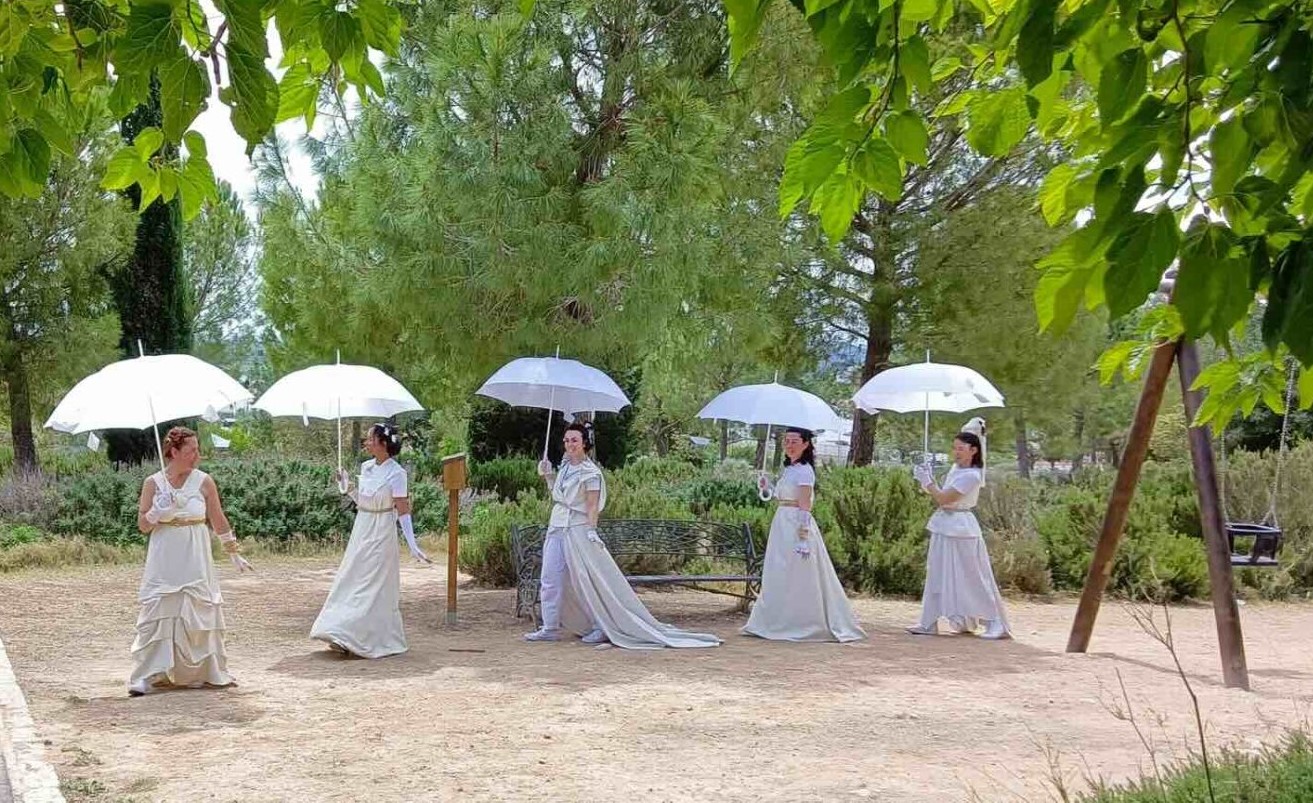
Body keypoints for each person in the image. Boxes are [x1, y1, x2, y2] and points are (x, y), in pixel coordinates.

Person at [523, 422, 721, 649]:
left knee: (586, 579)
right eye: (567, 440)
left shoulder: (590, 473)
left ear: (584, 443)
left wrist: (591, 530)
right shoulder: (566, 467)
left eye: (574, 440)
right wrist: (549, 477)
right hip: (557, 526)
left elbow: (592, 505)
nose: (570, 444)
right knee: (550, 577)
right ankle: (549, 627)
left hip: (577, 529)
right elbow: (559, 496)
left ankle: (601, 625)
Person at [130, 426, 253, 697]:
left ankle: (202, 670)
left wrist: (233, 551)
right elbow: (142, 526)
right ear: (174, 452)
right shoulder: (153, 483)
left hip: (195, 553)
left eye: (198, 449)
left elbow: (217, 518)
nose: (197, 455)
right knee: (160, 607)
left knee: (198, 607)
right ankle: (148, 674)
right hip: (165, 555)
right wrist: (156, 511)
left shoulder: (204, 481)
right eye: (191, 450)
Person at [311, 423, 430, 658]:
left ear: (383, 444)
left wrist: (412, 544)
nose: (367, 443)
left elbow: (402, 509)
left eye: (370, 439)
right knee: (352, 577)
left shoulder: (397, 473)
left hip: (382, 529)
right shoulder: (366, 468)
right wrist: (347, 486)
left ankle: (362, 635)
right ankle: (339, 630)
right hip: (363, 527)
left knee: (373, 583)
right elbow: (363, 500)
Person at [742, 427, 865, 642]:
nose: (789, 445)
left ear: (805, 444)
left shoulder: (805, 471)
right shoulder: (790, 469)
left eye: (794, 441)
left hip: (795, 525)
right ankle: (776, 618)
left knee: (796, 571)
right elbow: (783, 496)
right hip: (782, 522)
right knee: (779, 570)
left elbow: (805, 505)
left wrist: (803, 536)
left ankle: (802, 620)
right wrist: (767, 486)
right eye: (787, 441)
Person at [908, 427, 1011, 639]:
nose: (956, 452)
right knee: (936, 573)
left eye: (961, 448)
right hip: (944, 525)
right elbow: (942, 496)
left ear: (973, 450)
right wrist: (927, 481)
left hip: (962, 528)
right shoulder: (956, 469)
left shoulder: (972, 475)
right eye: (954, 448)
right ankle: (929, 621)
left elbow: (945, 498)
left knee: (972, 576)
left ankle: (994, 621)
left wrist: (928, 482)